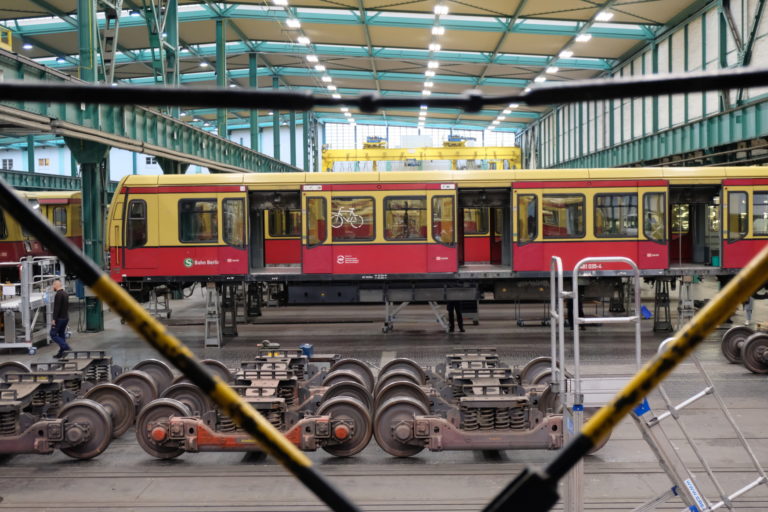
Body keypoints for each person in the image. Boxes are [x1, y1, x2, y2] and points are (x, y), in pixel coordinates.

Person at [50, 279, 71, 358]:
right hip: (66, 318)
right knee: (61, 334)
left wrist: (54, 319)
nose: (52, 286)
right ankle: (61, 353)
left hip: (60, 319)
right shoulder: (65, 293)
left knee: (53, 334)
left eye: (53, 285)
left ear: (56, 285)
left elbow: (57, 308)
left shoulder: (58, 294)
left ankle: (65, 347)